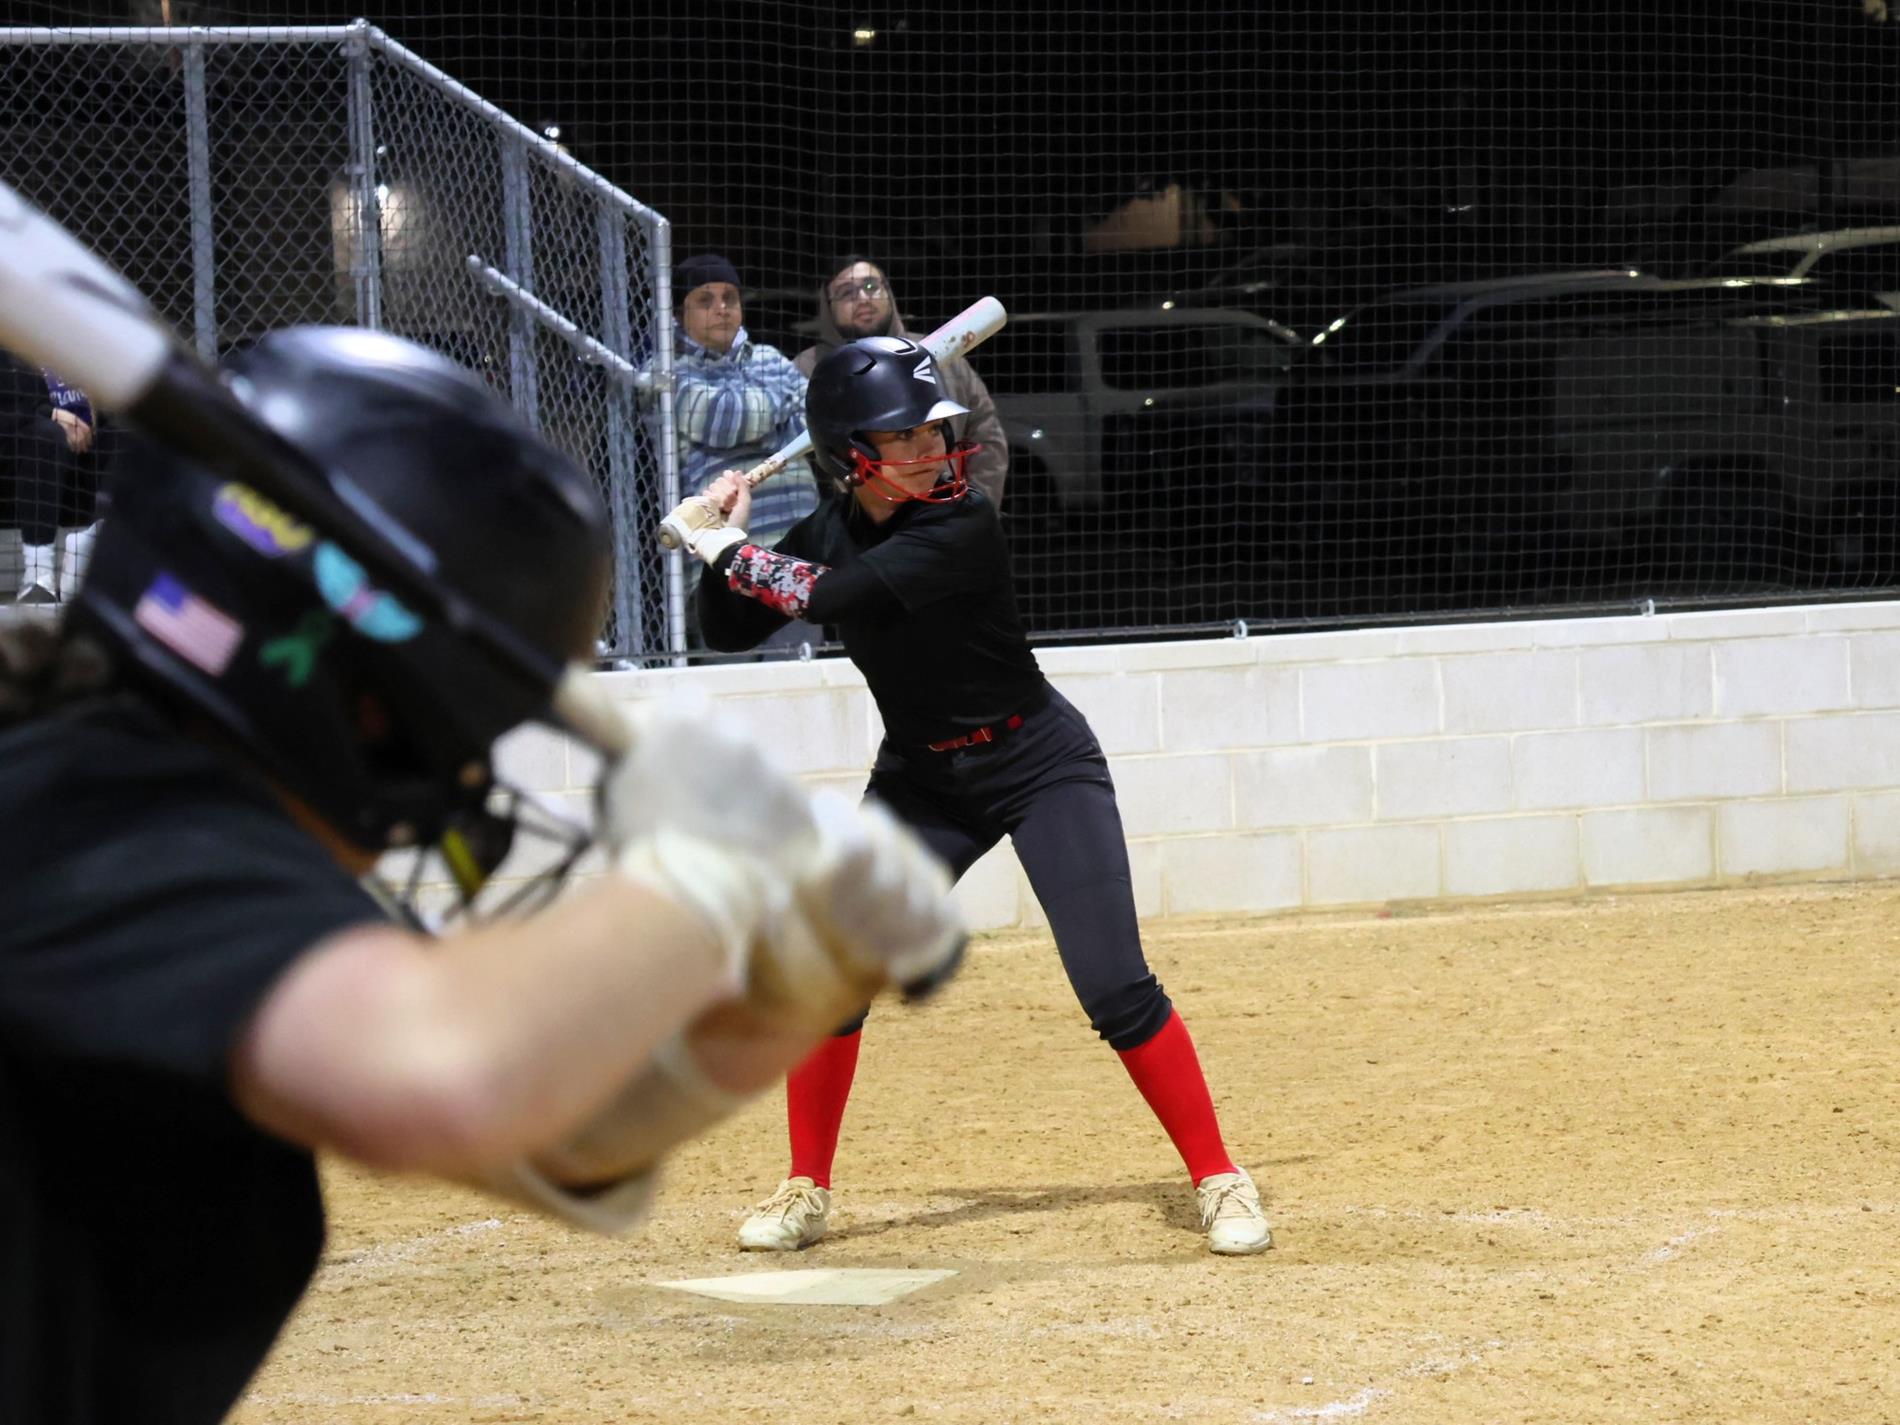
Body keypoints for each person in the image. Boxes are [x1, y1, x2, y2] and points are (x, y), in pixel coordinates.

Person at [0, 327, 964, 1425]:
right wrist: (703, 878)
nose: (462, 764)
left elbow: (564, 1136)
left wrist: (790, 966)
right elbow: (457, 1079)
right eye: (466, 716)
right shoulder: (107, 819)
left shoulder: (93, 785)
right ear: (365, 697)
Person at [677, 334, 1270, 1257]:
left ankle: (1220, 1176)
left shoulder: (961, 523)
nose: (932, 451)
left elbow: (829, 599)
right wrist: (717, 541)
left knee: (1113, 984)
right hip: (925, 781)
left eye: (933, 433)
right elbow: (730, 626)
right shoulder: (830, 528)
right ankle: (805, 1186)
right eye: (906, 438)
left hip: (1038, 762)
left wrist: (725, 546)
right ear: (852, 452)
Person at [671, 252, 823, 654]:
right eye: (705, 300)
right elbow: (724, 419)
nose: (721, 308)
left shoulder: (768, 357)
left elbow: (814, 425)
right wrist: (780, 402)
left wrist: (768, 412)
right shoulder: (669, 373)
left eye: (729, 297)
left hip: (795, 559)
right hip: (721, 563)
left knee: (803, 693)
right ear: (679, 314)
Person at [793, 255, 1009, 509]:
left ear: (888, 291)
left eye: (872, 286)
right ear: (828, 308)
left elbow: (986, 435)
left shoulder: (941, 353)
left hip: (948, 512)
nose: (863, 297)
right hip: (857, 527)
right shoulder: (808, 369)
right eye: (846, 292)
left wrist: (975, 509)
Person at [2, 353, 100, 603]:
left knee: (124, 432)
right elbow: (12, 409)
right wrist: (52, 415)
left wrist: (94, 412)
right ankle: (38, 576)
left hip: (73, 470)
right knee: (44, 435)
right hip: (18, 472)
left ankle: (96, 541)